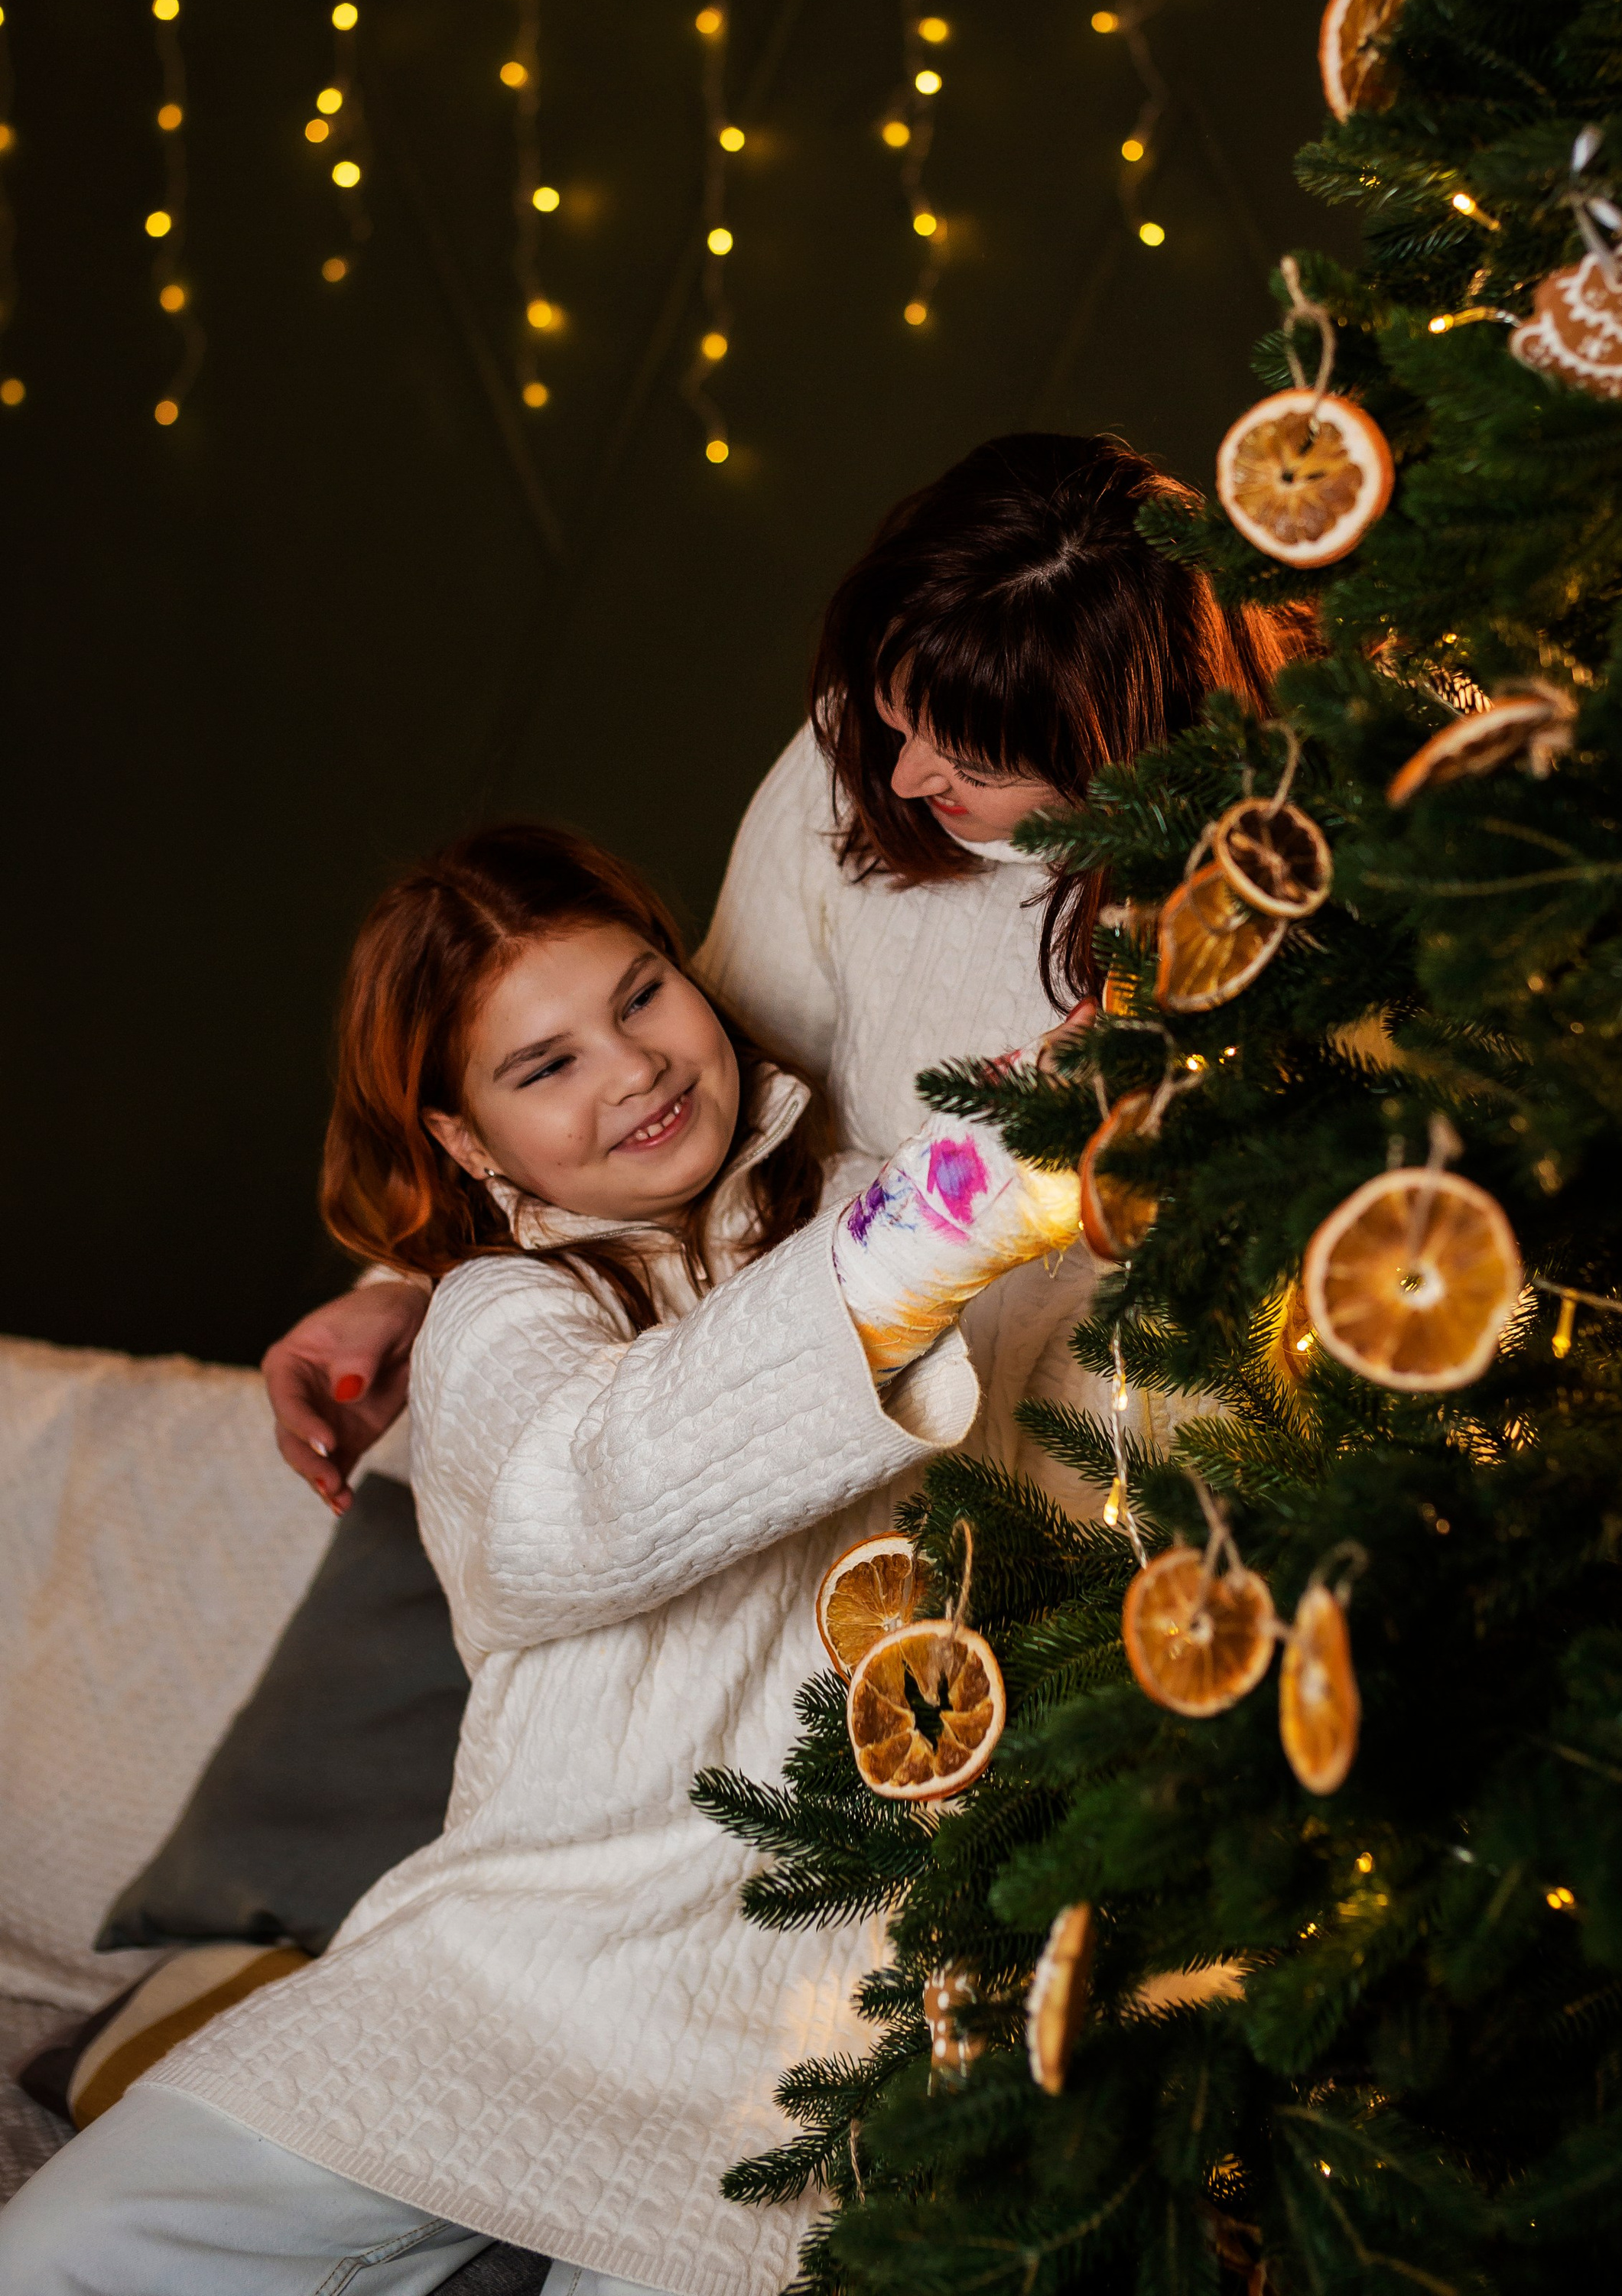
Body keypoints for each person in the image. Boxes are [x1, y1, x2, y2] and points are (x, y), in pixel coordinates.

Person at [0, 823, 1083, 2296]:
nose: (633, 1069)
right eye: (543, 1066)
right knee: (57, 2251)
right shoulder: (498, 1316)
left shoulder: (866, 1203)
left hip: (800, 2003)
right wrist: (933, 1229)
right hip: (512, 1971)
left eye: (642, 996)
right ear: (464, 1142)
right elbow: (579, 1508)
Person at [265, 430, 1308, 1511]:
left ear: (1118, 750)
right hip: (831, 1488)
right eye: (891, 709)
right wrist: (418, 1282)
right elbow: (657, 1080)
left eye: (972, 760)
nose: (901, 776)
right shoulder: (842, 774)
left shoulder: (1270, 902)